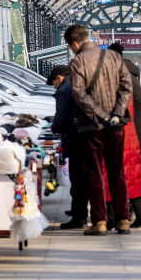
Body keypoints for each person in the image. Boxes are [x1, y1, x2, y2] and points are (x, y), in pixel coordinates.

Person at [65, 25, 133, 236]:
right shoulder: (114, 57)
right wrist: (115, 114)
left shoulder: (77, 61)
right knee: (117, 171)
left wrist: (101, 115)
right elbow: (126, 86)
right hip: (116, 125)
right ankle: (123, 220)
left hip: (91, 126)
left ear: (75, 44)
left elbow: (79, 93)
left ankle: (100, 221)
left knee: (94, 172)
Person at [108, 43, 141, 228]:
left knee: (120, 176)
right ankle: (137, 215)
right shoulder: (129, 73)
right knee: (133, 176)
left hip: (127, 133)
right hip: (137, 133)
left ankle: (120, 217)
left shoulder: (120, 77)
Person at [48, 64, 88, 230]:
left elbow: (61, 117)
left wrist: (53, 128)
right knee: (81, 178)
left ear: (59, 78)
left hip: (73, 139)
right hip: (83, 136)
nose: (54, 87)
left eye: (54, 83)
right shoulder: (77, 83)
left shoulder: (64, 91)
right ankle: (79, 212)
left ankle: (79, 217)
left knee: (77, 179)